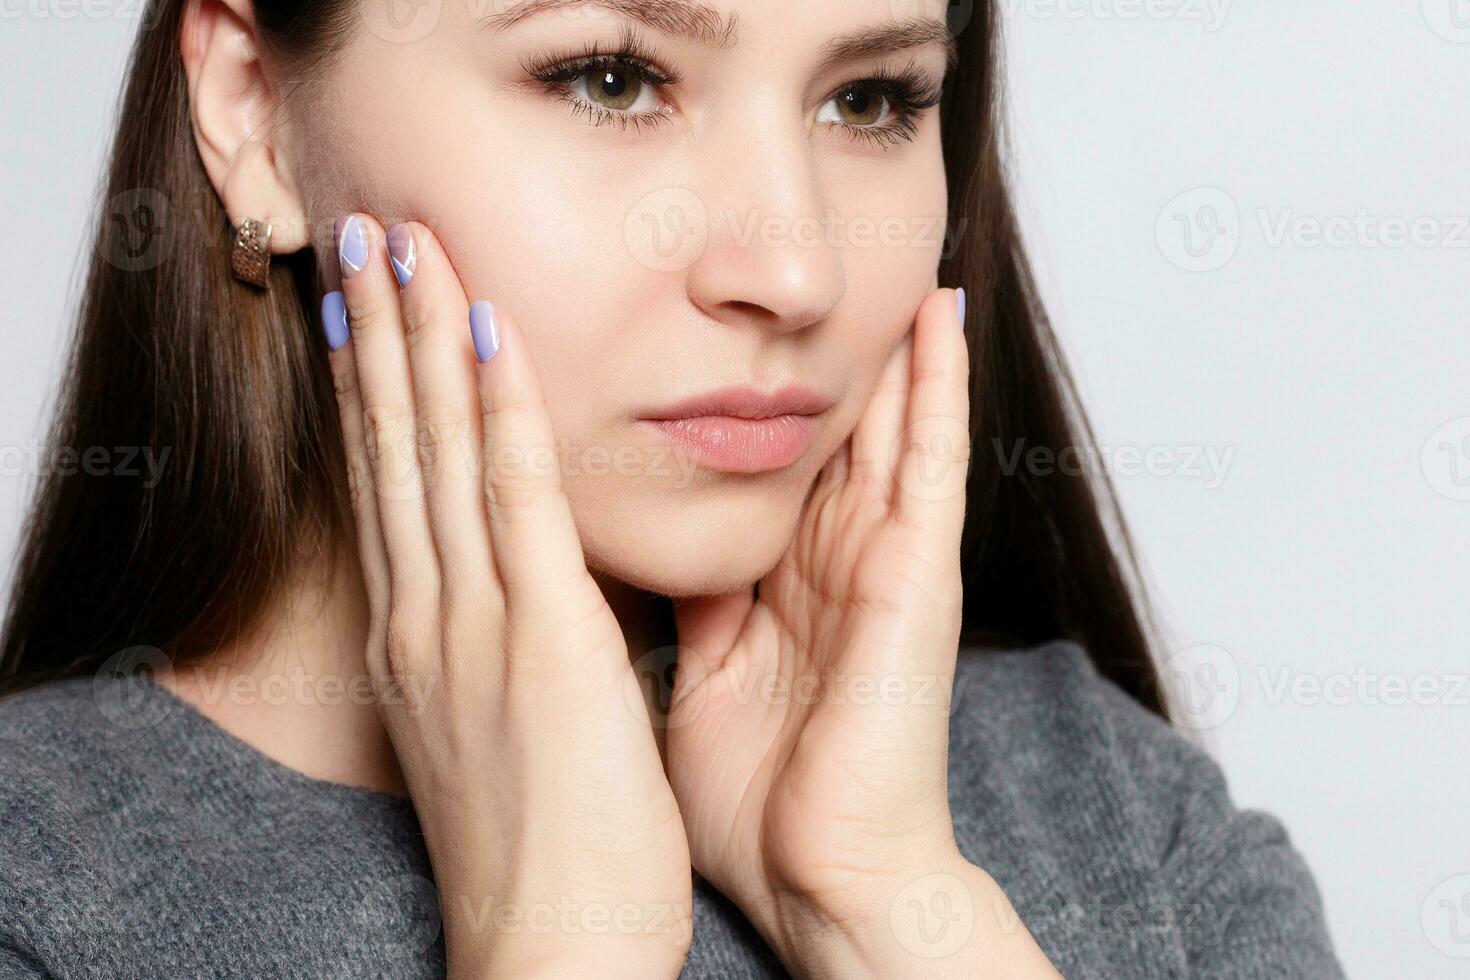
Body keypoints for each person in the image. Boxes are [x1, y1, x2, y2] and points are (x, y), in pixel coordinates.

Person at [0, 0, 1344, 976]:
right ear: (252, 111)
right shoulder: (41, 889)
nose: (796, 267)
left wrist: (883, 906)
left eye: (869, 97)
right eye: (607, 76)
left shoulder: (1129, 813)